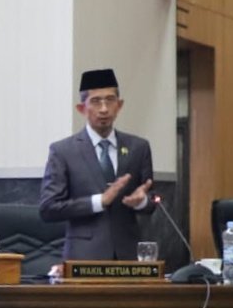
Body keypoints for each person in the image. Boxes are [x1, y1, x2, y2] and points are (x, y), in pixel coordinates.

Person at [39, 68, 155, 260]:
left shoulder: (138, 147)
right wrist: (99, 201)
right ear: (81, 108)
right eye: (95, 101)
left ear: (119, 105)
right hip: (84, 257)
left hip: (128, 255)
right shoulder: (63, 151)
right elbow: (48, 208)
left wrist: (142, 201)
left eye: (110, 100)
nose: (104, 109)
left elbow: (153, 201)